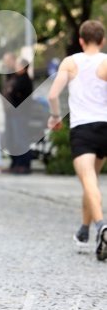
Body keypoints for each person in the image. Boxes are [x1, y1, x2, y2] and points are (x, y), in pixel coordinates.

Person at [48, 19, 107, 261]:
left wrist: (55, 117)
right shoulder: (106, 61)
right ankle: (84, 231)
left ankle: (102, 226)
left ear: (81, 41)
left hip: (83, 129)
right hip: (105, 127)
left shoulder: (70, 62)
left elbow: (53, 94)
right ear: (102, 40)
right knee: (90, 180)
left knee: (89, 180)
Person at [2, 56, 33, 174]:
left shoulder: (25, 79)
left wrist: (10, 90)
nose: (16, 67)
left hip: (20, 115)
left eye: (18, 65)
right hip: (11, 114)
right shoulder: (13, 77)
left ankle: (24, 165)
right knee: (11, 140)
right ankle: (15, 163)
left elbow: (13, 91)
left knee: (21, 139)